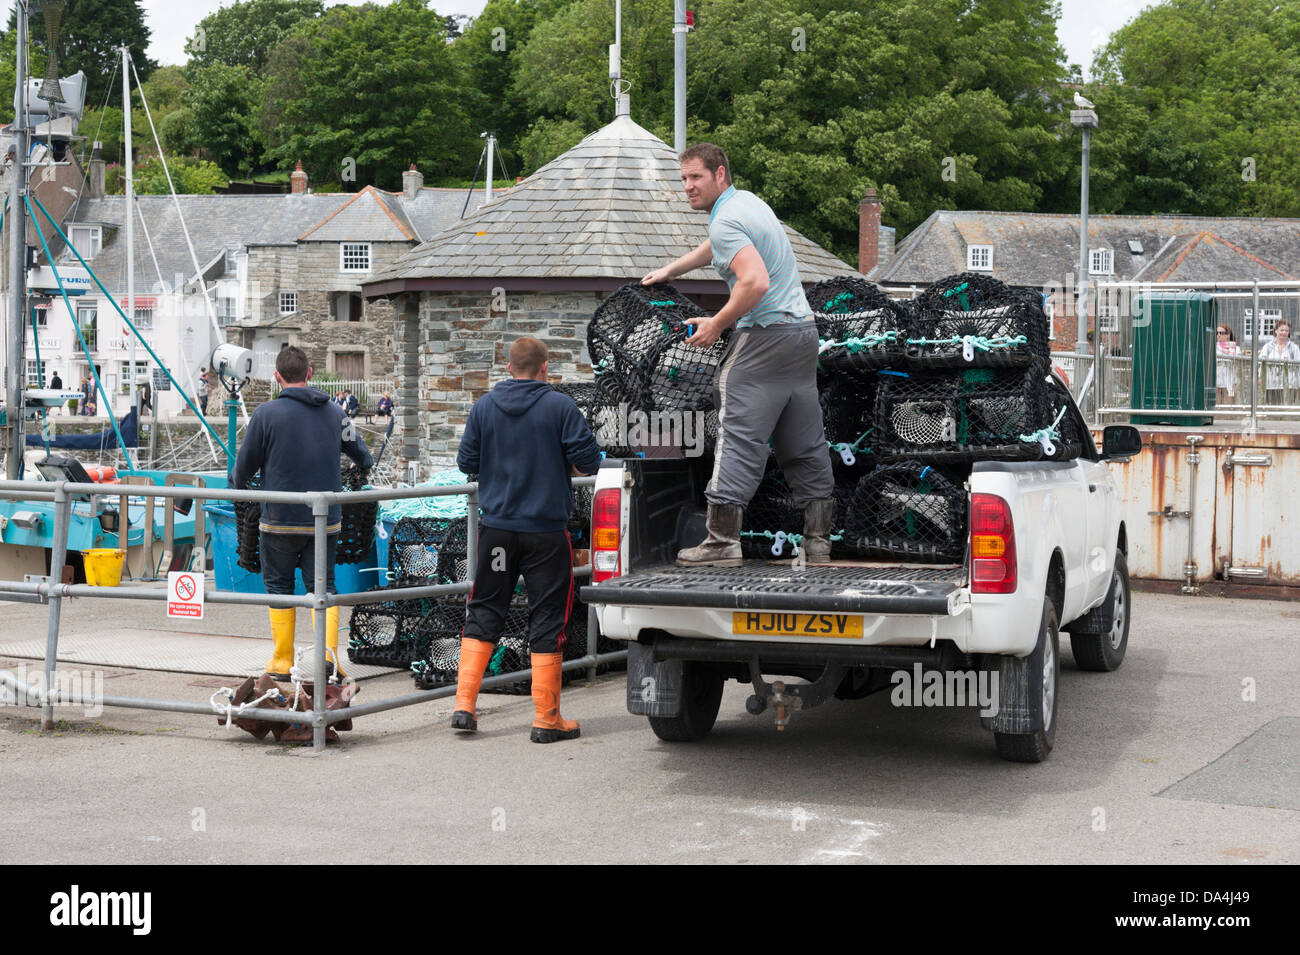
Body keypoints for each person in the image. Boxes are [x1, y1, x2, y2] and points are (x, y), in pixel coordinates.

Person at [642, 142, 834, 566]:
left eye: (697, 178)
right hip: (802, 334)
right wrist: (673, 269)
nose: (688, 187)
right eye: (684, 179)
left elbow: (755, 282)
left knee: (738, 432)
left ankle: (722, 540)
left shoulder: (726, 220)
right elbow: (718, 246)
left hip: (765, 336)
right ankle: (818, 540)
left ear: (720, 174)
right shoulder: (746, 204)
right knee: (802, 438)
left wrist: (717, 323)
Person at [452, 336, 601, 743]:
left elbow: (466, 462)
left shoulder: (483, 407)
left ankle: (464, 704)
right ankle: (545, 718)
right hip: (546, 535)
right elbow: (589, 461)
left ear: (508, 368)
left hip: (498, 530)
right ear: (545, 368)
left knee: (484, 608)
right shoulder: (560, 406)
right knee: (548, 616)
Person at [231, 346, 374, 681]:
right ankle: (328, 659)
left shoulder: (265, 415)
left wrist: (239, 485)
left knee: (279, 587)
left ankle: (282, 661)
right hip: (326, 523)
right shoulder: (337, 414)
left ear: (277, 377)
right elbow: (362, 456)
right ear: (310, 373)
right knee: (323, 588)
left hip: (279, 521)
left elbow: (242, 470)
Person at [1258, 320, 1300, 406]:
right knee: (1271, 408)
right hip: (1271, 384)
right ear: (1276, 331)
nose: (1284, 332)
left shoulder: (1294, 348)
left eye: (1286, 331)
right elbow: (1261, 364)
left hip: (1290, 385)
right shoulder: (1267, 347)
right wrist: (1260, 378)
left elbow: (1298, 367)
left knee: (1287, 409)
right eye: (1281, 330)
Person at [1215, 324, 1241, 406]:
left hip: (1230, 384)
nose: (1218, 335)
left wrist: (1228, 350)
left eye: (1221, 333)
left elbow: (1237, 361)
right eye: (1217, 333)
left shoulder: (1236, 348)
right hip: (1216, 383)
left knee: (1228, 409)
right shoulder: (1213, 347)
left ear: (1228, 335)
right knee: (1216, 409)